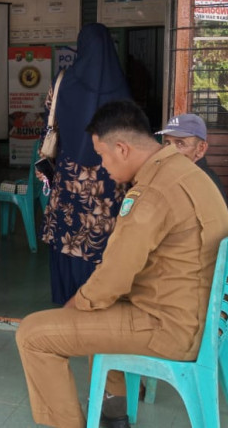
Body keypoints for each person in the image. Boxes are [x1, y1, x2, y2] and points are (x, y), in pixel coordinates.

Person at [16, 100, 228, 428]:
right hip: (196, 313)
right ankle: (115, 415)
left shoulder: (152, 193)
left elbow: (113, 278)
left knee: (34, 333)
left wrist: (73, 309)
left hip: (171, 327)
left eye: (102, 155)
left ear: (122, 148)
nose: (103, 166)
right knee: (100, 309)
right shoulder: (187, 172)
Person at [40, 23, 132, 305]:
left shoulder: (64, 79)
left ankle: (67, 296)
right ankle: (98, 296)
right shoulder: (121, 86)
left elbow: (49, 116)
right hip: (109, 175)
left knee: (68, 236)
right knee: (102, 236)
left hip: (70, 174)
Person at [156, 113, 228, 201]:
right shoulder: (180, 174)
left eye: (180, 143)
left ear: (201, 148)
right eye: (167, 143)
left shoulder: (201, 182)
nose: (169, 150)